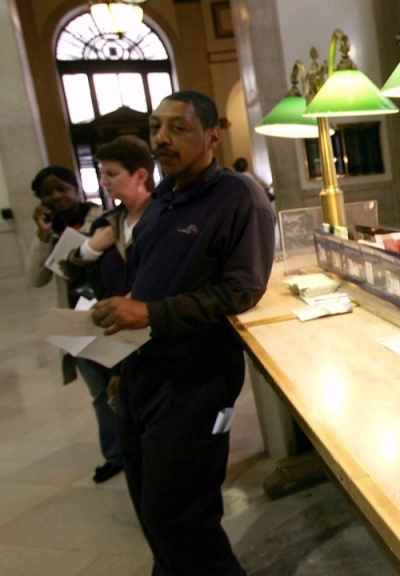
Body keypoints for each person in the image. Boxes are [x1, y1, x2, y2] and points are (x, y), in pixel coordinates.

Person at [90, 91, 276, 575]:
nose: (162, 139)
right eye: (156, 128)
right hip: (142, 372)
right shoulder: (162, 201)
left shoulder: (238, 196)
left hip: (196, 379)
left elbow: (241, 292)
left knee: (181, 516)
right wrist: (123, 360)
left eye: (178, 127)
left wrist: (149, 314)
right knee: (151, 511)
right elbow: (148, 280)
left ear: (212, 134)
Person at [64, 135, 154, 483]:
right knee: (112, 399)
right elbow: (71, 269)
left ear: (140, 175)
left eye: (113, 174)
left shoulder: (162, 216)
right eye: (103, 174)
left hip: (149, 329)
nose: (104, 181)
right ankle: (127, 460)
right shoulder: (107, 224)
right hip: (110, 330)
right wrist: (89, 247)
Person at [26, 166, 104, 303]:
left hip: (105, 299)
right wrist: (43, 236)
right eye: (48, 193)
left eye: (62, 189)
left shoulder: (102, 221)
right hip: (71, 306)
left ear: (76, 190)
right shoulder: (49, 232)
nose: (56, 196)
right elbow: (36, 280)